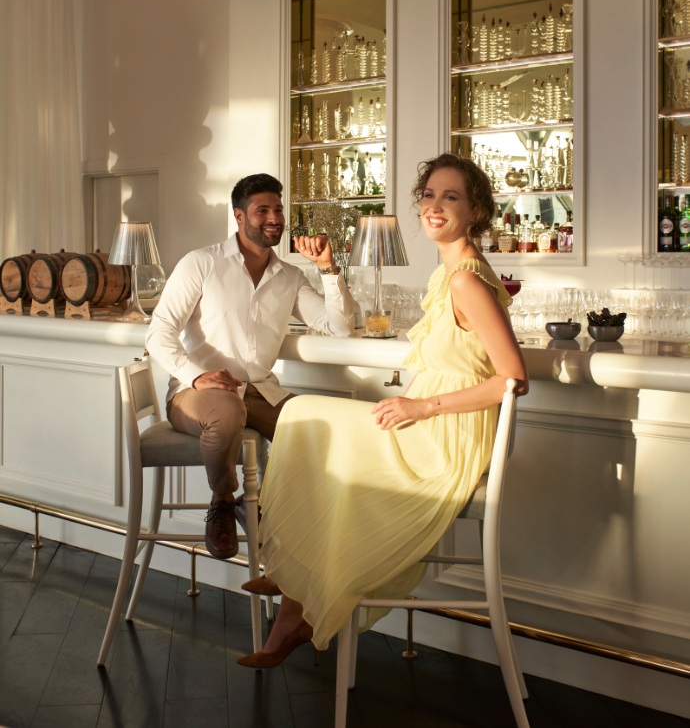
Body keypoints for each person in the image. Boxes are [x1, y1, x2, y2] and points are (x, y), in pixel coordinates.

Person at [237, 153, 528, 668]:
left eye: (452, 197)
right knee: (310, 422)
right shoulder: (452, 274)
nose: (435, 206)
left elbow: (512, 379)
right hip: (438, 422)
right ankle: (295, 588)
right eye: (430, 196)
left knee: (305, 416)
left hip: (447, 438)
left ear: (476, 209)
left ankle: (294, 579)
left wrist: (422, 405)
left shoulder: (465, 279)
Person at [145, 172, 357, 560]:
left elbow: (340, 329)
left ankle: (266, 508)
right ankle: (224, 501)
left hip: (260, 390)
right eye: (263, 210)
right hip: (196, 393)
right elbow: (158, 332)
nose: (274, 218)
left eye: (278, 209)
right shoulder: (201, 263)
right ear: (239, 216)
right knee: (226, 413)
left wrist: (327, 267)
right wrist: (196, 375)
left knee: (321, 432)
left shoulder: (290, 276)